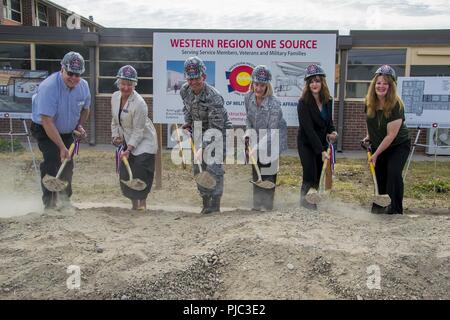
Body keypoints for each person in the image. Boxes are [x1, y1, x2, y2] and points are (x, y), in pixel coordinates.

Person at [30, 51, 90, 210]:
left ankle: (64, 201)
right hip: (44, 128)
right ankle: (49, 204)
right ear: (62, 68)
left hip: (67, 130)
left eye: (78, 75)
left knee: (68, 164)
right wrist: (62, 147)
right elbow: (47, 121)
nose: (74, 78)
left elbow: (85, 109)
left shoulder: (83, 86)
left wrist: (78, 126)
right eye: (70, 73)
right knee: (52, 160)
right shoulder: (49, 87)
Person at [180, 56, 232, 214]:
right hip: (198, 131)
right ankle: (205, 201)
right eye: (190, 79)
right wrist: (188, 123)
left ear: (204, 76)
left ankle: (215, 205)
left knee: (213, 167)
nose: (193, 82)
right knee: (198, 168)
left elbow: (215, 129)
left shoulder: (213, 96)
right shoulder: (185, 90)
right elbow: (187, 108)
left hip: (219, 132)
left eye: (196, 78)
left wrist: (202, 148)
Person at [362, 65, 410, 215]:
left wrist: (375, 155)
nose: (381, 86)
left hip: (398, 144)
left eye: (385, 83)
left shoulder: (396, 105)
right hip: (378, 144)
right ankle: (379, 208)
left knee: (393, 172)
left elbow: (390, 135)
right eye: (378, 83)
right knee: (379, 174)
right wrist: (369, 137)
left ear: (391, 86)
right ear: (374, 84)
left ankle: (395, 210)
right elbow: (370, 122)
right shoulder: (369, 101)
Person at [111, 65, 158, 211]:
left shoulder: (140, 104)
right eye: (123, 83)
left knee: (140, 170)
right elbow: (115, 120)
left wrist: (129, 149)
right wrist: (115, 136)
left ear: (134, 84)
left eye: (129, 84)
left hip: (144, 140)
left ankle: (142, 204)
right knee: (126, 172)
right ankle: (134, 205)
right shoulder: (114, 97)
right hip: (127, 138)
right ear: (118, 82)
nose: (125, 87)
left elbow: (138, 131)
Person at [244, 65, 287, 211]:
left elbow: (272, 131)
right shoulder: (248, 97)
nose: (258, 88)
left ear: (267, 85)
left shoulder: (274, 103)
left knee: (268, 172)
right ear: (252, 83)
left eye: (262, 85)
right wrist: (248, 131)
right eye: (256, 84)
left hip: (273, 139)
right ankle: (257, 205)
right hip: (257, 137)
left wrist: (256, 148)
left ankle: (267, 206)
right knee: (257, 171)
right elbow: (248, 118)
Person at [297, 64, 338, 210]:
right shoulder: (303, 103)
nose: (314, 84)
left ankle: (311, 204)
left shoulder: (328, 100)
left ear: (322, 82)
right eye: (311, 81)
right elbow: (308, 129)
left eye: (317, 81)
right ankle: (304, 205)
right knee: (310, 173)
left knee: (319, 173)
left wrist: (333, 132)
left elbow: (329, 122)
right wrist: (321, 150)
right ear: (308, 84)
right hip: (307, 143)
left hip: (322, 143)